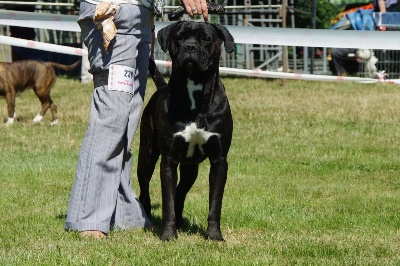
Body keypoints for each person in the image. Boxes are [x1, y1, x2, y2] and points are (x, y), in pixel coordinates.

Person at [65, 0, 209, 239]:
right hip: (111, 14)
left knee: (127, 120)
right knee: (111, 116)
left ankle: (123, 213)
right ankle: (87, 216)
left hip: (139, 18)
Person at [330, 0, 395, 76]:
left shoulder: (374, 16)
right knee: (335, 52)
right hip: (354, 43)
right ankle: (341, 74)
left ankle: (382, 75)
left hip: (371, 44)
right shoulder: (350, 16)